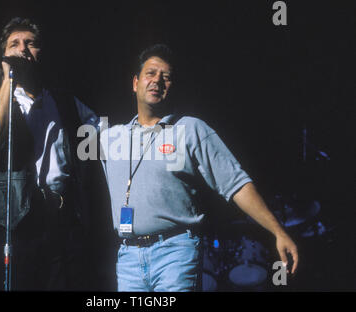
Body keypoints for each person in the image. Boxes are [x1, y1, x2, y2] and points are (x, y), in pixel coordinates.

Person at [99, 44, 298, 292]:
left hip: (175, 253)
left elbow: (236, 183)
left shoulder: (190, 129)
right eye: (151, 73)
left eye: (166, 77)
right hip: (128, 257)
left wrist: (278, 231)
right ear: (135, 83)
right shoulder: (110, 137)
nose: (157, 81)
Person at [0, 17, 101, 290]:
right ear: (3, 55)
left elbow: (101, 138)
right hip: (14, 227)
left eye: (30, 43)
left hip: (61, 226)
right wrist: (7, 81)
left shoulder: (64, 102)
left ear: (41, 53)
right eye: (14, 44)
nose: (23, 49)